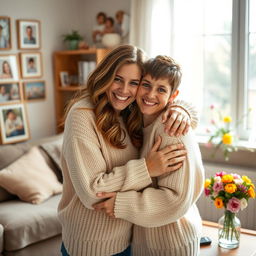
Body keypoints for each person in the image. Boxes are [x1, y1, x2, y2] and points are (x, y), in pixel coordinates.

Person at [58, 45, 198, 256]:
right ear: (104, 75)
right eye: (117, 79)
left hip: (128, 239)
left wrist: (182, 110)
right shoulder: (82, 115)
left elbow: (161, 100)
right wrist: (147, 169)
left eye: (134, 83)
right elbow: (91, 192)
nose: (124, 90)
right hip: (92, 244)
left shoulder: (130, 110)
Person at [94, 56, 204, 255]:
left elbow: (175, 200)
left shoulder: (170, 130)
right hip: (147, 242)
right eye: (146, 85)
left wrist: (121, 204)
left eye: (161, 89)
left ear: (173, 95)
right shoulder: (138, 121)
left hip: (171, 243)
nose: (151, 94)